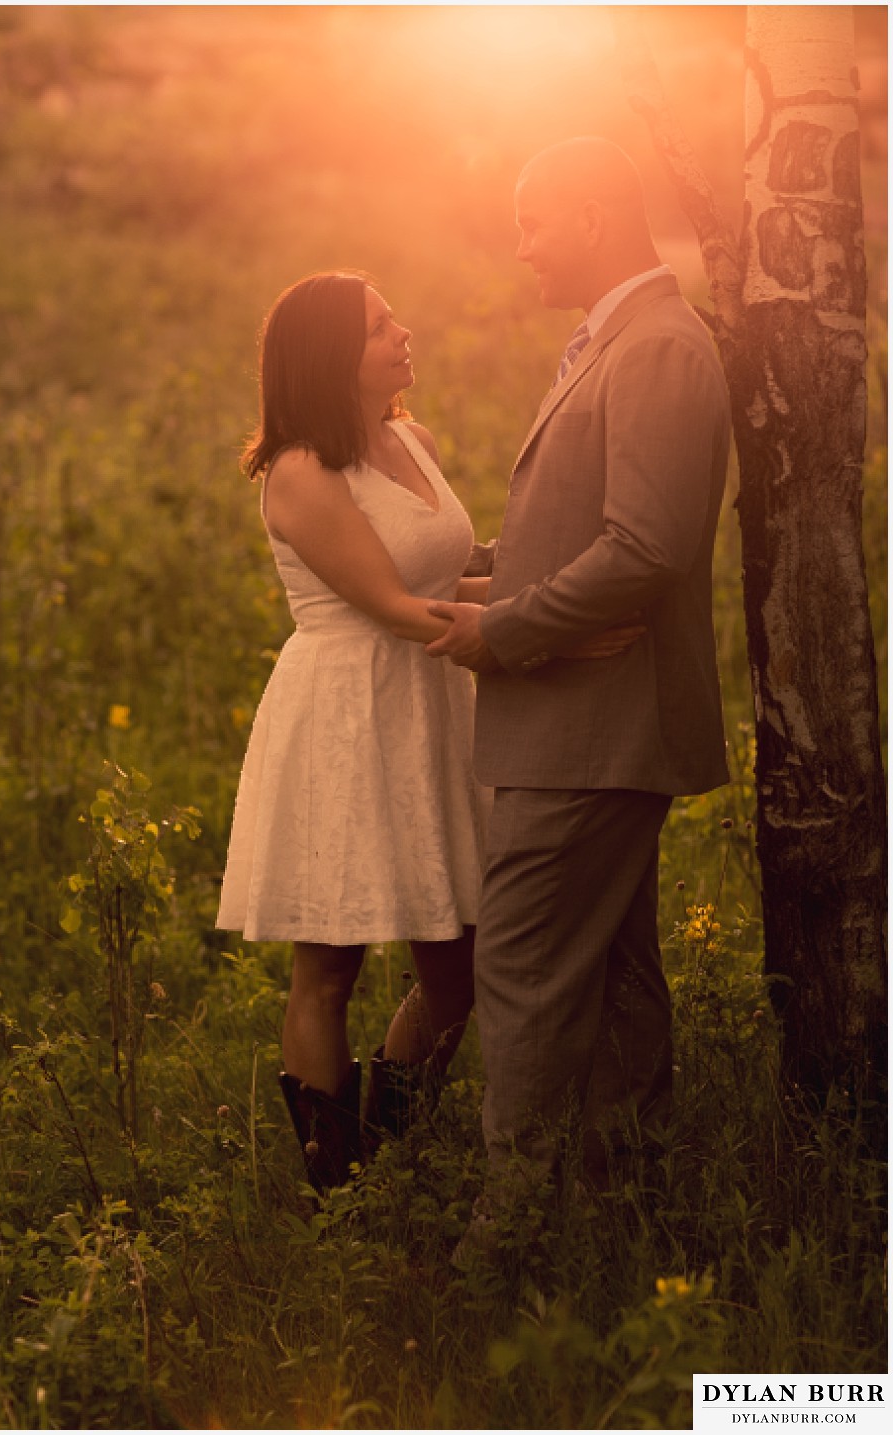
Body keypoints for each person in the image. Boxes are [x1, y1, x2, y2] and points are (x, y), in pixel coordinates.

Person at [215, 271, 641, 1194]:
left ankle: (387, 1145)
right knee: (329, 964)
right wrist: (553, 626)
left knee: (462, 964)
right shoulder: (301, 471)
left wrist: (558, 604)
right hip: (346, 711)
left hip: (433, 702)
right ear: (333, 356)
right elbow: (401, 610)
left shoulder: (413, 438)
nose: (404, 333)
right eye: (379, 328)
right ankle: (339, 1190)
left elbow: (447, 592)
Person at [426, 138, 731, 1241]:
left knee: (519, 963)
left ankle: (507, 1232)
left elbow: (643, 547)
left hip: (597, 725)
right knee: (609, 964)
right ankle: (625, 1205)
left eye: (532, 223)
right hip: (580, 721)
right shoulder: (621, 341)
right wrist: (438, 584)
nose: (519, 249)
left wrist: (504, 634)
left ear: (595, 215)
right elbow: (581, 529)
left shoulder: (656, 348)